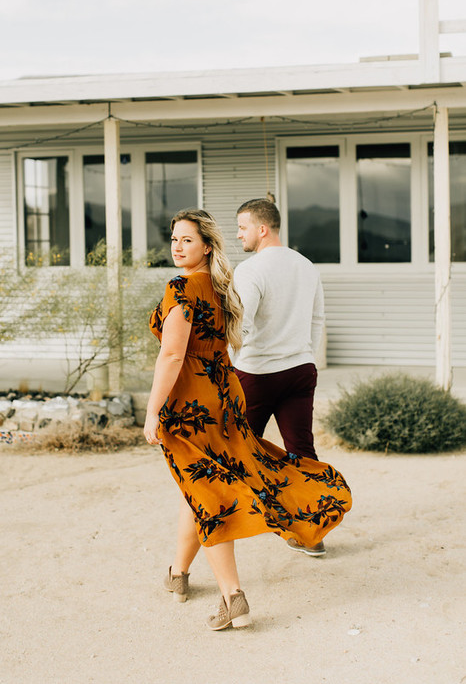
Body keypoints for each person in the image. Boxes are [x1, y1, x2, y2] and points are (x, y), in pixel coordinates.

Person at [143, 208, 351, 630]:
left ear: (205, 245)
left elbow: (172, 354)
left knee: (207, 491)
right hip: (225, 393)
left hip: (192, 405)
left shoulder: (181, 288)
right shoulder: (221, 286)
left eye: (187, 240)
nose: (178, 247)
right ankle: (179, 574)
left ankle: (232, 595)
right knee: (201, 483)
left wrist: (151, 410)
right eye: (175, 239)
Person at [233, 198, 327, 556]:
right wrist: (305, 355)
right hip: (301, 371)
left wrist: (232, 365)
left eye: (242, 227)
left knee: (239, 450)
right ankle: (312, 535)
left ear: (262, 229)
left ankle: (237, 521)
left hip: (257, 373)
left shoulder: (250, 270)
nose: (238, 234)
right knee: (301, 451)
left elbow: (240, 325)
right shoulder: (307, 266)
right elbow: (317, 320)